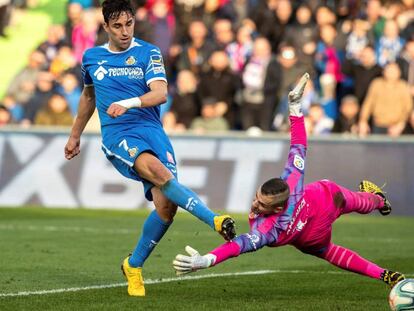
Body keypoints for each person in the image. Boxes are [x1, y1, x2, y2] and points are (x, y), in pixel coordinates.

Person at [64, 0, 236, 297]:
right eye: (117, 26)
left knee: (166, 207)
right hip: (119, 134)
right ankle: (215, 220)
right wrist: (75, 134)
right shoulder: (91, 58)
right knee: (159, 173)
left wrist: (128, 102)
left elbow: (160, 94)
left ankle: (133, 264)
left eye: (128, 24)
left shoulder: (148, 52)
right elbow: (88, 97)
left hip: (152, 130)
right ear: (105, 26)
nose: (124, 31)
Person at [173, 73, 406, 289]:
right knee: (331, 248)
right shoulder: (290, 180)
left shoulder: (269, 227)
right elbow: (299, 145)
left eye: (262, 205)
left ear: (277, 208)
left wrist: (207, 260)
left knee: (363, 205)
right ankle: (383, 272)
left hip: (326, 200)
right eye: (257, 198)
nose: (255, 205)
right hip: (313, 229)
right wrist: (294, 107)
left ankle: (378, 200)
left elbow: (239, 245)